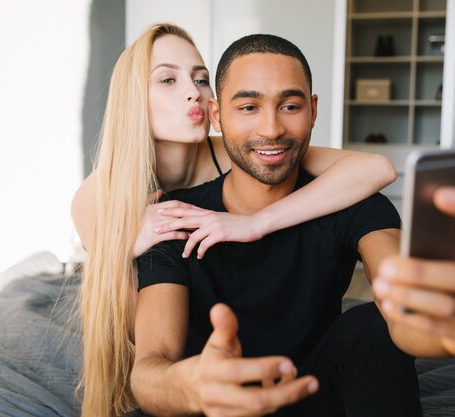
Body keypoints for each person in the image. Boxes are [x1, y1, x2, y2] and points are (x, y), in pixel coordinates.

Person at [132, 34, 455, 417]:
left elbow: (401, 312)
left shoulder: (354, 204)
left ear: (313, 110)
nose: (272, 128)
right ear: (216, 115)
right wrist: (190, 386)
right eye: (248, 106)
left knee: (370, 323)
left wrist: (441, 320)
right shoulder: (178, 217)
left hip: (314, 398)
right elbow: (149, 369)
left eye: (290, 105)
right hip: (216, 405)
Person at [71, 24, 398, 417]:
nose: (193, 90)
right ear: (132, 99)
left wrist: (256, 222)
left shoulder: (247, 148)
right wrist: (131, 243)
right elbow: (124, 324)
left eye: (201, 78)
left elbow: (375, 168)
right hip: (169, 346)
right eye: (168, 79)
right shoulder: (99, 196)